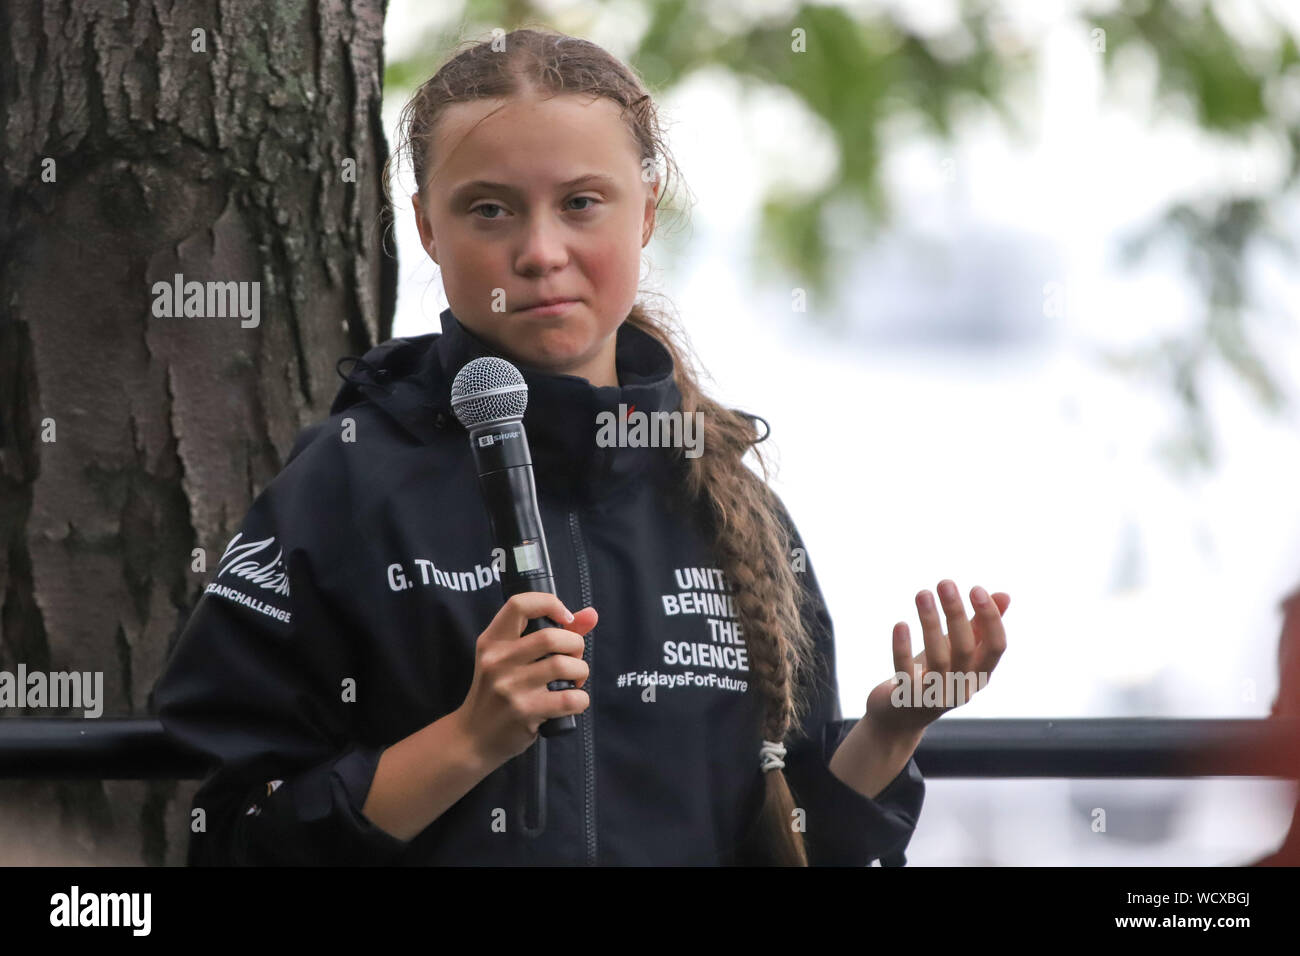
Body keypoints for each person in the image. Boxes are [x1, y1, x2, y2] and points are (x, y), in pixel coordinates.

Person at [149, 27, 1010, 866]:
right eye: (489, 209)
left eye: (581, 203)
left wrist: (895, 728)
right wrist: (468, 740)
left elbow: (800, 841)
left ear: (646, 211)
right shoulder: (342, 484)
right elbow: (234, 838)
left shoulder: (731, 506)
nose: (539, 252)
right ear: (425, 228)